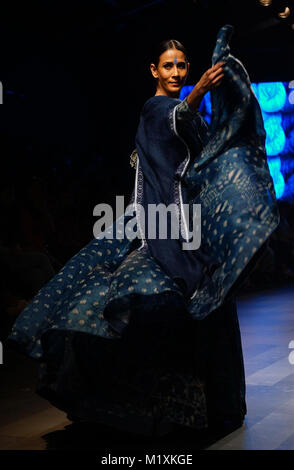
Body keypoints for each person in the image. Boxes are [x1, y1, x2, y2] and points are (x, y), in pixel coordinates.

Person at [6, 25, 279, 441]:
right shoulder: (156, 109)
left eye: (183, 67)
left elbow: (199, 152)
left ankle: (207, 408)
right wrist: (204, 86)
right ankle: (136, 406)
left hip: (186, 224)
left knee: (206, 308)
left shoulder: (180, 116)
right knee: (148, 305)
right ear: (154, 69)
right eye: (168, 65)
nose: (176, 72)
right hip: (160, 226)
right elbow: (178, 115)